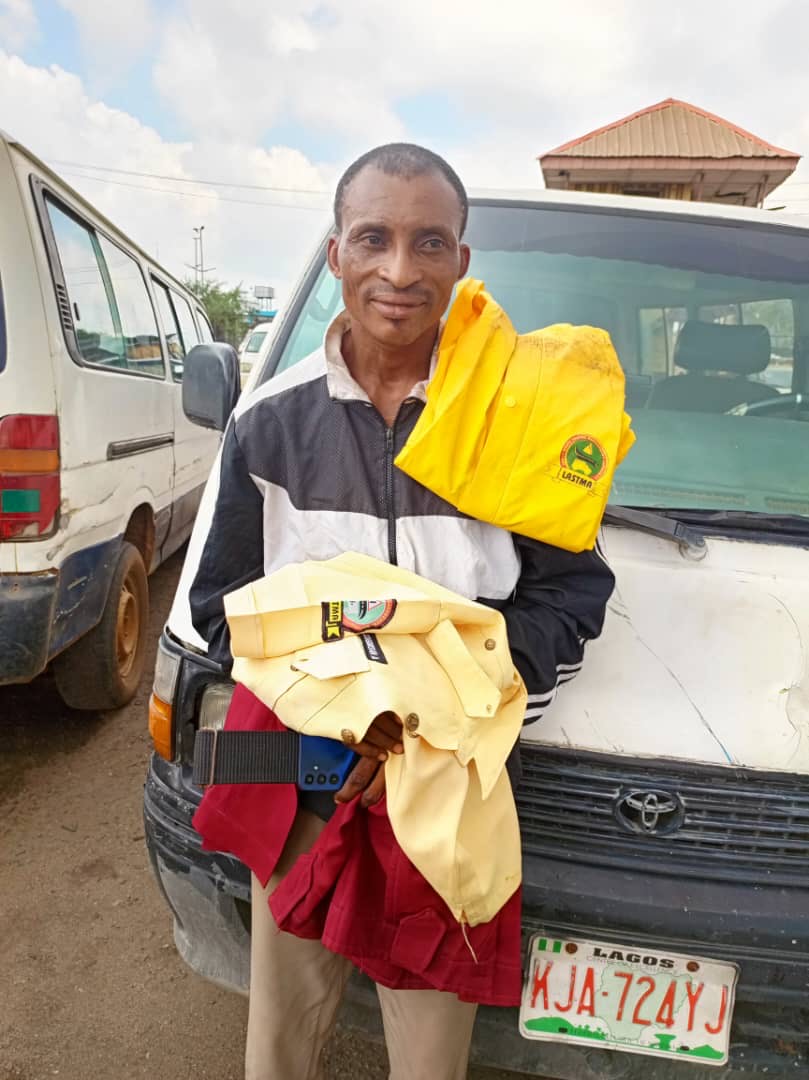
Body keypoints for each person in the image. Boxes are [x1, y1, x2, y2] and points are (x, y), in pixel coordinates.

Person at [189, 143, 615, 1080]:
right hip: (301, 772)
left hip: (452, 786)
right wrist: (342, 712)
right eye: (373, 238)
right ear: (335, 251)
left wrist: (443, 703)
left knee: (428, 1048)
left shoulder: (514, 422)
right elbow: (223, 611)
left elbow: (572, 594)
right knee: (282, 1028)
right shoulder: (267, 421)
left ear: (461, 262)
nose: (399, 270)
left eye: (430, 243)